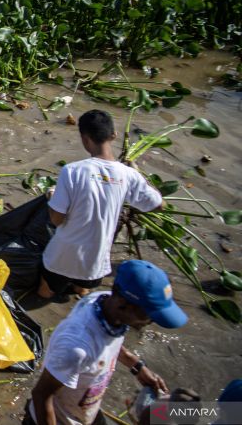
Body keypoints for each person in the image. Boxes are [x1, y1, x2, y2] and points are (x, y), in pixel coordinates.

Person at [25, 259, 188, 425]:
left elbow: (108, 342)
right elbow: (41, 396)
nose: (150, 322)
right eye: (149, 315)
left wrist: (137, 366)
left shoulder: (103, 303)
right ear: (124, 304)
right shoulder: (75, 348)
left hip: (85, 411)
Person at [38, 110, 163, 299]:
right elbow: (159, 205)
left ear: (84, 138)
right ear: (113, 135)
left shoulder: (72, 171)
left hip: (61, 258)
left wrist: (51, 197)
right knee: (82, 289)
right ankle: (79, 291)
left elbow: (56, 219)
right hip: (95, 263)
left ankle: (47, 297)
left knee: (45, 291)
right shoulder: (129, 175)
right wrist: (139, 174)